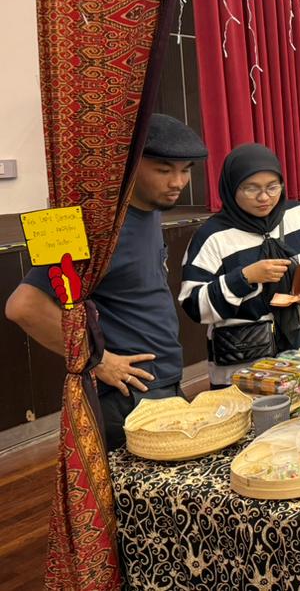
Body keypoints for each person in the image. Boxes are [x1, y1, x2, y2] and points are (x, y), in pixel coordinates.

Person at [5, 114, 208, 450]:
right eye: (163, 170)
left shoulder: (151, 211)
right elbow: (24, 306)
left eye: (186, 170)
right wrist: (97, 361)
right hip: (126, 395)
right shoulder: (92, 224)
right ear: (130, 165)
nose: (178, 182)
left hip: (163, 381)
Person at [179, 144, 300, 388]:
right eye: (251, 188)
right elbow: (193, 304)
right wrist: (245, 278)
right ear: (231, 187)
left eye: (272, 187)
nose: (264, 197)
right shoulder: (212, 236)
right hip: (243, 368)